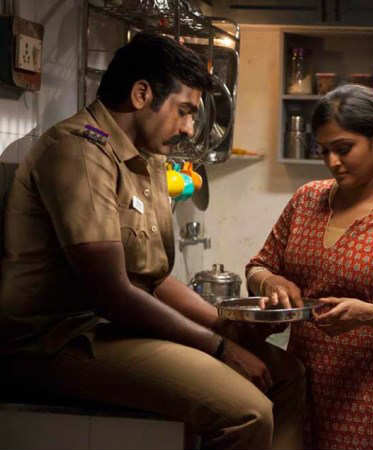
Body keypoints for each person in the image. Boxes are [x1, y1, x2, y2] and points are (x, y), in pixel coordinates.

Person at [0, 33, 304, 450]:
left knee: (287, 374)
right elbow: (112, 293)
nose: (189, 128)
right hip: (55, 342)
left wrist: (223, 325)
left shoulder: (147, 161)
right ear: (142, 94)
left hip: (111, 331)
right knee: (249, 412)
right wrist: (220, 347)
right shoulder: (78, 151)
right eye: (184, 111)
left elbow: (153, 280)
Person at [246, 84, 373, 450]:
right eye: (324, 150)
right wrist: (270, 282)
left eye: (343, 149)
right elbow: (258, 266)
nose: (333, 162)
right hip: (302, 386)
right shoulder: (306, 200)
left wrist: (371, 315)